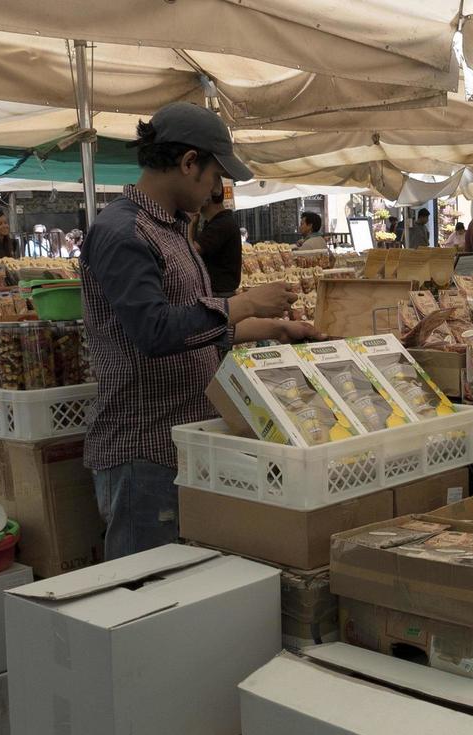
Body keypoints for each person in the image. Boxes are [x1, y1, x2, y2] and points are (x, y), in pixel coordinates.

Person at [82, 101, 318, 559]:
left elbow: (190, 331)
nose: (217, 188)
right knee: (146, 592)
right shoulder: (124, 231)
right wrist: (244, 303)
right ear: (189, 162)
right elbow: (153, 332)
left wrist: (270, 328)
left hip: (183, 440)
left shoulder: (171, 229)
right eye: (215, 175)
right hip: (143, 447)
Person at [194, 180, 241, 297]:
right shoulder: (218, 222)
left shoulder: (221, 224)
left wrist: (192, 220)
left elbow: (192, 251)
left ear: (209, 197)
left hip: (219, 296)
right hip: (219, 294)